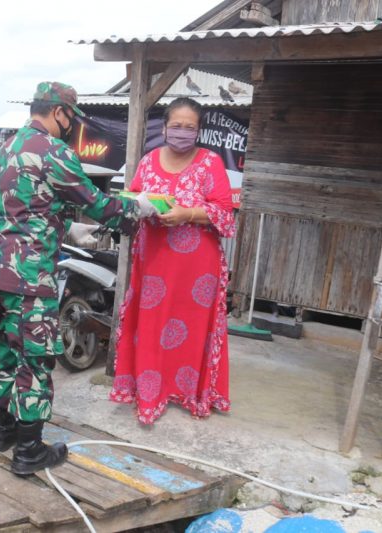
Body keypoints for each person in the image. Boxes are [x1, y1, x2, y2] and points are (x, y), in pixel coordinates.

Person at [0, 82, 158, 476]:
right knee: (36, 356)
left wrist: (66, 229)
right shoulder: (54, 151)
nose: (69, 127)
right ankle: (28, 452)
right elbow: (98, 204)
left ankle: (2, 431)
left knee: (3, 350)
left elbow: (30, 206)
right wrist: (137, 209)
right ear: (58, 112)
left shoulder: (9, 146)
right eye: (69, 119)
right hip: (30, 274)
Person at [110, 97, 236, 425]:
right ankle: (151, 394)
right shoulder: (149, 160)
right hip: (153, 262)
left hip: (197, 269)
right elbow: (135, 197)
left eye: (189, 127)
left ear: (199, 131)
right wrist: (138, 206)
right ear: (165, 127)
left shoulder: (210, 163)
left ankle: (190, 393)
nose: (182, 132)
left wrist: (188, 213)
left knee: (191, 328)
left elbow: (225, 212)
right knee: (152, 328)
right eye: (176, 126)